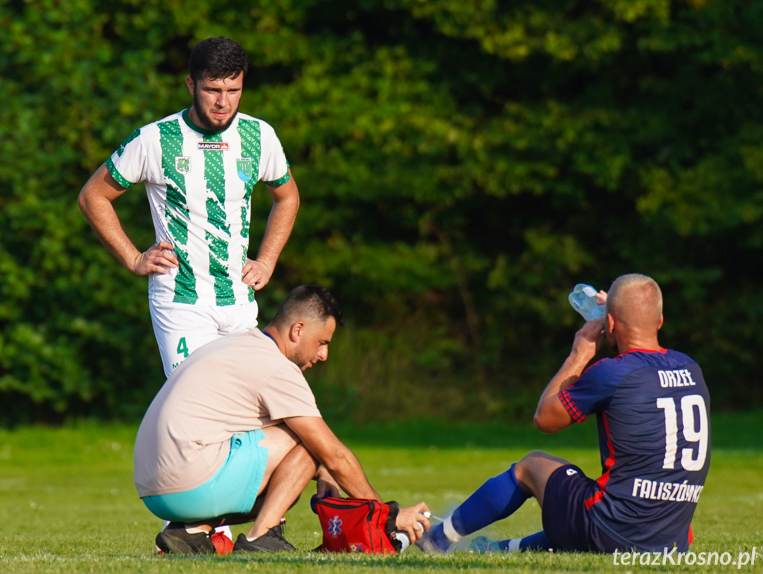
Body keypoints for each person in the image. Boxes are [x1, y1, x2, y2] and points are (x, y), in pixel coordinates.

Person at [418, 273, 710, 554]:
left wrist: (579, 355)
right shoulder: (692, 369)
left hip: (613, 531)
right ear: (660, 320)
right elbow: (646, 346)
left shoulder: (613, 373)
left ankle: (437, 539)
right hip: (670, 539)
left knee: (532, 465)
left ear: (609, 321)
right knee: (588, 504)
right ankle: (502, 549)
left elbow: (545, 419)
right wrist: (622, 311)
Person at [133, 285, 432, 554]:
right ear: (298, 330)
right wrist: (386, 519)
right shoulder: (277, 368)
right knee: (308, 441)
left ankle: (191, 531)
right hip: (190, 483)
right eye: (322, 342)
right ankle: (260, 537)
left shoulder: (239, 345)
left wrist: (324, 471)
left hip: (154, 491)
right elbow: (334, 453)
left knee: (291, 472)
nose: (324, 354)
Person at [77, 36, 300, 377]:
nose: (223, 102)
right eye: (212, 90)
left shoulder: (260, 135)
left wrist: (267, 260)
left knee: (244, 404)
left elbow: (287, 197)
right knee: (196, 399)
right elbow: (93, 196)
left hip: (238, 300)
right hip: (181, 301)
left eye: (233, 91)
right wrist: (133, 258)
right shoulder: (155, 139)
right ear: (191, 84)